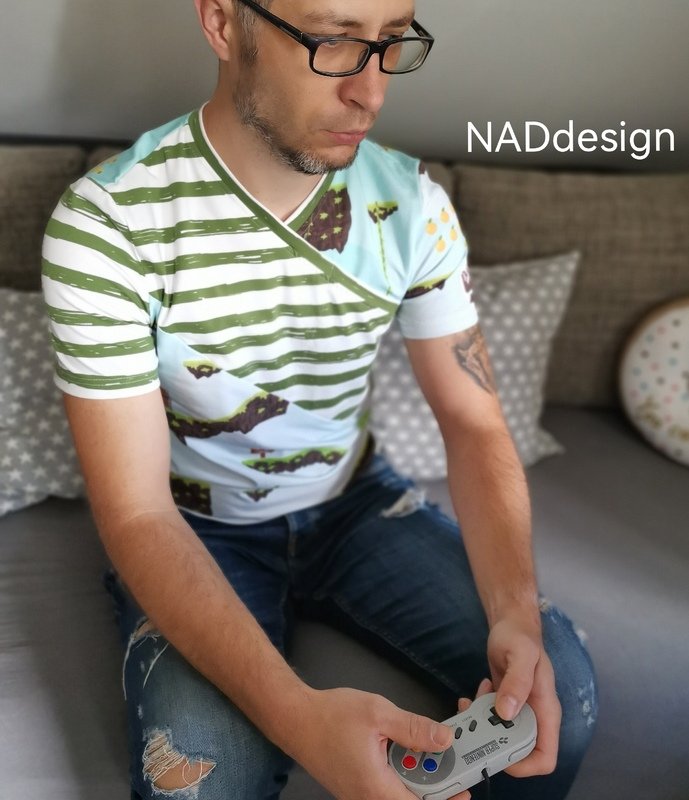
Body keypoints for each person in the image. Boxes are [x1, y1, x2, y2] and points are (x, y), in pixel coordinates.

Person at [41, 1, 597, 798]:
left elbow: (472, 421)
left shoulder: (412, 205)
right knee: (196, 782)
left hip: (355, 503)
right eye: (333, 41)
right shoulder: (107, 225)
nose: (371, 92)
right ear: (222, 23)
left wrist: (512, 612)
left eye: (390, 42)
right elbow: (136, 513)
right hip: (193, 526)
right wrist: (301, 719)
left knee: (557, 703)